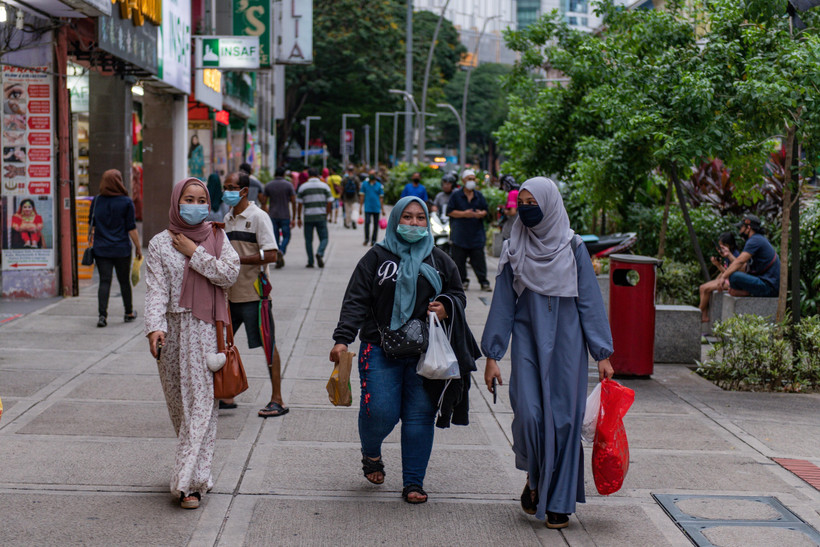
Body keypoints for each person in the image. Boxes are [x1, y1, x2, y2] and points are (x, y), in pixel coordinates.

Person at [481, 177, 614, 529]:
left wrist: (602, 353)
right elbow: (503, 303)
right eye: (521, 201)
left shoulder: (573, 247)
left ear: (550, 203)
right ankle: (536, 477)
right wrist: (493, 355)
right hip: (527, 337)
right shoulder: (514, 246)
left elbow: (589, 300)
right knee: (529, 415)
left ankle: (558, 501)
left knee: (565, 421)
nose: (526, 207)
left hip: (569, 342)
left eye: (532, 201)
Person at [330, 196, 465, 504]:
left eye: (420, 218)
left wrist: (446, 306)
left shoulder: (439, 259)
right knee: (379, 411)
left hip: (425, 353)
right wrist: (342, 339)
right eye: (407, 217)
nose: (414, 224)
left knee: (419, 416)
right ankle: (372, 452)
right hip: (379, 348)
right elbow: (356, 300)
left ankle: (414, 482)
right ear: (394, 221)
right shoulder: (376, 258)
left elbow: (457, 293)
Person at [144, 177, 240, 510]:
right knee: (180, 409)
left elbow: (229, 274)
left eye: (202, 199)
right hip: (172, 333)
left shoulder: (217, 236)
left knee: (201, 407)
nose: (196, 205)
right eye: (189, 198)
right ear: (176, 200)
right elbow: (155, 289)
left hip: (205, 331)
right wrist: (154, 328)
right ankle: (197, 470)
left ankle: (190, 483)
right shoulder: (158, 243)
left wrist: (195, 253)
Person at [221, 171, 289, 417]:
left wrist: (239, 260)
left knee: (268, 346)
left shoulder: (259, 217)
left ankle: (277, 399)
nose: (226, 191)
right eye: (224, 187)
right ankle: (226, 396)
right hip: (228, 296)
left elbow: (271, 254)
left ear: (244, 191)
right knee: (221, 346)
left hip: (255, 296)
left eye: (231, 187)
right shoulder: (227, 219)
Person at [89, 170, 142, 328]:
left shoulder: (97, 200)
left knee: (104, 281)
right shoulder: (126, 202)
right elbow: (131, 228)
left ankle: (102, 316)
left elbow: (92, 225)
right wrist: (138, 247)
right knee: (124, 281)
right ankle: (129, 312)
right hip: (121, 249)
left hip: (101, 249)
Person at [447, 169, 491, 291]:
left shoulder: (479, 196)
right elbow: (450, 212)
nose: (471, 181)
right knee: (459, 260)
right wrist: (464, 214)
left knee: (479, 259)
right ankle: (463, 281)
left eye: (473, 179)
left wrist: (481, 213)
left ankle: (484, 282)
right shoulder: (455, 195)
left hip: (476, 234)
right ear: (463, 180)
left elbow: (486, 210)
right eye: (469, 179)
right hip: (459, 234)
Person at [717, 214, 780, 298]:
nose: (740, 231)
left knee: (734, 276)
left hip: (769, 287)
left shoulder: (755, 240)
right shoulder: (758, 239)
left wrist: (724, 277)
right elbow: (744, 268)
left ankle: (747, 293)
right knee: (735, 274)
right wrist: (728, 255)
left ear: (748, 228)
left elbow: (740, 261)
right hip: (768, 285)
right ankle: (746, 292)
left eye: (741, 228)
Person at [698, 232, 741, 322]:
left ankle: (699, 312)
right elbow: (726, 272)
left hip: (732, 281)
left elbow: (731, 274)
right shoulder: (727, 255)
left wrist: (718, 266)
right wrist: (718, 265)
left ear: (727, 245)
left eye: (721, 246)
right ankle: (704, 316)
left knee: (706, 289)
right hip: (727, 279)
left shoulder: (735, 255)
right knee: (702, 287)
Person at [296, 167, 334, 268]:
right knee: (324, 238)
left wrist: (299, 217)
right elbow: (330, 201)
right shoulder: (324, 186)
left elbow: (299, 203)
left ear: (308, 175)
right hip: (321, 216)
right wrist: (327, 213)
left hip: (308, 216)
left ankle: (310, 261)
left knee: (308, 240)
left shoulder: (303, 187)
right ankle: (320, 252)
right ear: (318, 175)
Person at [263, 167, 296, 266]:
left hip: (272, 215)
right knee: (287, 236)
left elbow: (264, 202)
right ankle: (281, 251)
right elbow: (294, 201)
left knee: (275, 237)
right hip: (285, 215)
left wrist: (266, 214)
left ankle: (278, 254)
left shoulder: (269, 185)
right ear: (284, 175)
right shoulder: (288, 185)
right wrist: (294, 217)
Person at [359, 169, 385, 246]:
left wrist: (382, 209)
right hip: (367, 207)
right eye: (370, 174)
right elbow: (362, 196)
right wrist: (360, 207)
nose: (371, 175)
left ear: (375, 175)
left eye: (373, 174)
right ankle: (366, 239)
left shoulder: (379, 185)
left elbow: (381, 198)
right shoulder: (364, 184)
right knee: (367, 223)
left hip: (376, 208)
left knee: (375, 225)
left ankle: (373, 240)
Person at [499, 174, 520, 241]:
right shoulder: (518, 192)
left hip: (511, 230)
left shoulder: (512, 193)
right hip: (518, 230)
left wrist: (503, 211)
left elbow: (512, 212)